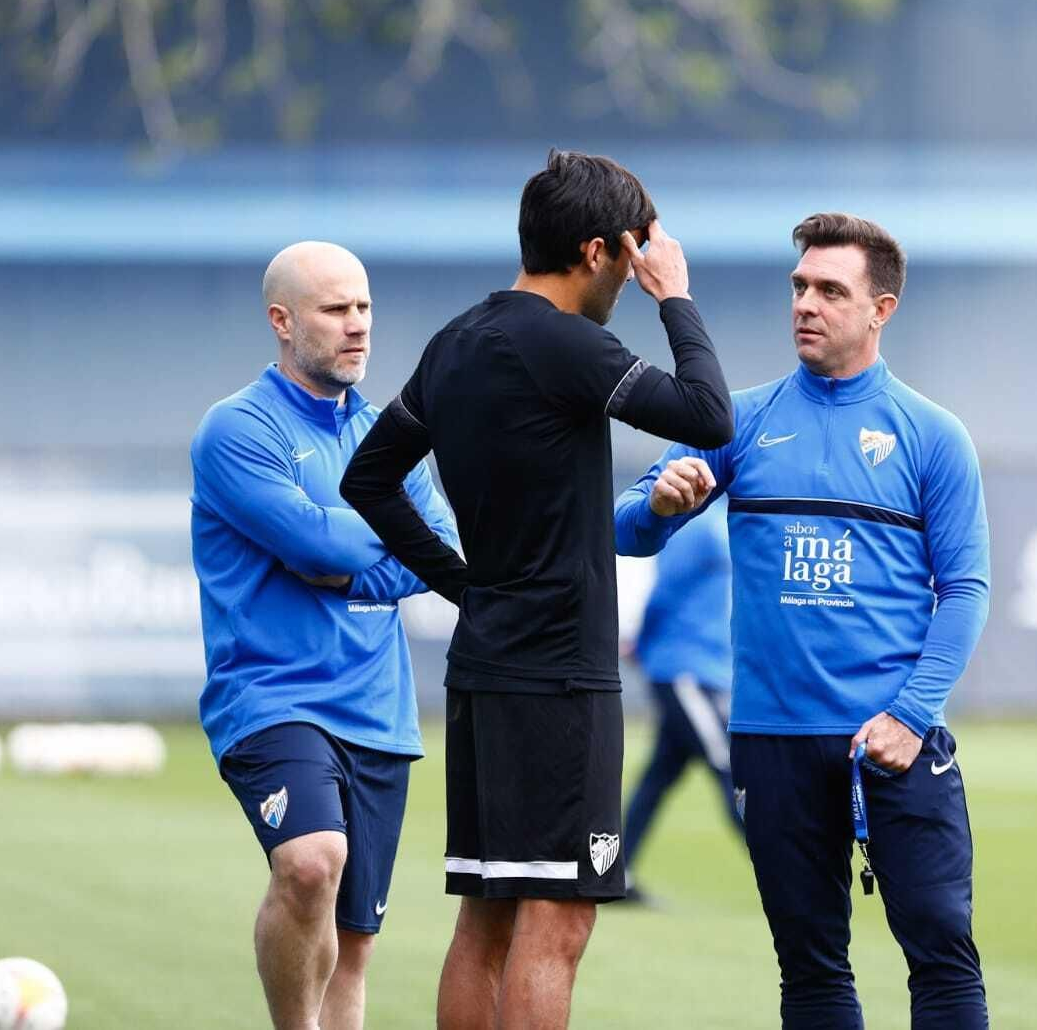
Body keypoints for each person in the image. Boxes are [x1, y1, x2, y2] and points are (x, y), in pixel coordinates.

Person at [338, 149, 732, 1030]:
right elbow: (709, 416)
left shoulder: (456, 341)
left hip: (484, 668)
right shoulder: (569, 344)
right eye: (630, 258)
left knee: (486, 918)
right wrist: (676, 295)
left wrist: (463, 584)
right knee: (557, 921)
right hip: (560, 681)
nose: (631, 277)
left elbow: (367, 478)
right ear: (597, 251)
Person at [615, 212, 991, 1029]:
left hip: (894, 738)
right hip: (773, 742)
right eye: (799, 286)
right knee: (811, 970)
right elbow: (625, 529)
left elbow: (965, 590)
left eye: (830, 290)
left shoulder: (933, 436)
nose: (805, 304)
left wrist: (910, 715)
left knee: (943, 957)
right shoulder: (737, 420)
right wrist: (659, 504)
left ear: (881, 309)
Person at [190, 240, 458, 1030]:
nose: (357, 324)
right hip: (272, 697)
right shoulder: (237, 429)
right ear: (283, 321)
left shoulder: (387, 432)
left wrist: (346, 567)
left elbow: (440, 554)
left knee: (354, 942)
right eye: (336, 309)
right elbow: (315, 543)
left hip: (378, 708)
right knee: (311, 861)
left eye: (364, 306)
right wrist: (376, 539)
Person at [621, 498, 742, 902]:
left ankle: (615, 872)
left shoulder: (722, 518)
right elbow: (665, 593)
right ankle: (788, 875)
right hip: (686, 672)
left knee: (658, 777)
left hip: (705, 670)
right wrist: (642, 643)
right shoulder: (699, 525)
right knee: (732, 768)